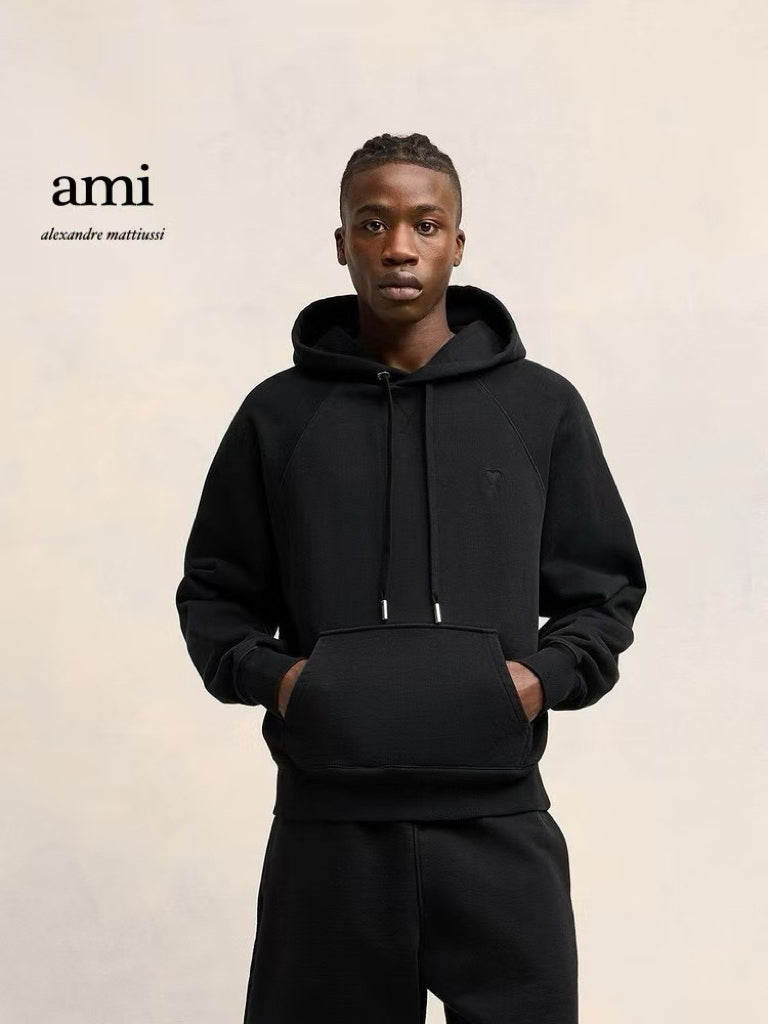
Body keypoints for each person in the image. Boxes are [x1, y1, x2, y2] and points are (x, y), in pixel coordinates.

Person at [175, 132, 647, 1024]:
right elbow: (214, 595)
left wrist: (533, 682)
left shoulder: (539, 406)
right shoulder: (279, 414)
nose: (399, 247)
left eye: (425, 225)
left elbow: (604, 591)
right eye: (373, 223)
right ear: (342, 242)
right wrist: (289, 683)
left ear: (457, 243)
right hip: (327, 832)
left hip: (497, 820)